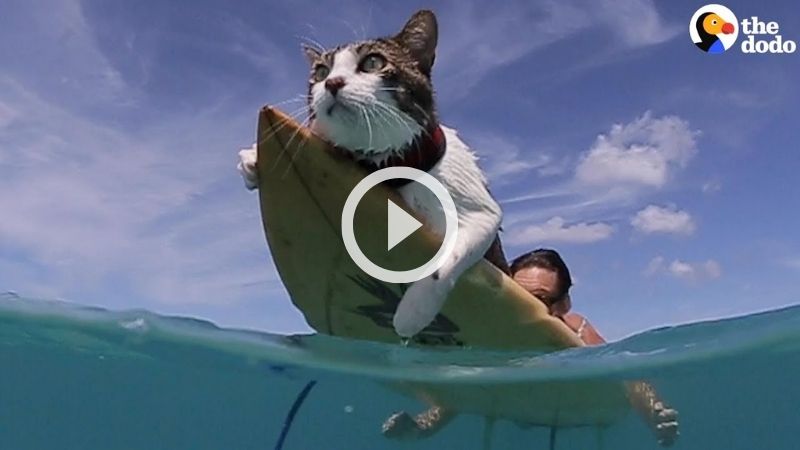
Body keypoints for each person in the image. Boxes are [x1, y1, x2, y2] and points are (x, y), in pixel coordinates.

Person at [383, 248, 680, 447]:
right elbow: (469, 391)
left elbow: (624, 374)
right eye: (517, 298)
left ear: (563, 302)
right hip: (517, 420)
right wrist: (421, 426)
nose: (522, 310)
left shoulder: (575, 328)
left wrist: (656, 414)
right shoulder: (493, 334)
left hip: (569, 425)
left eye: (538, 299)